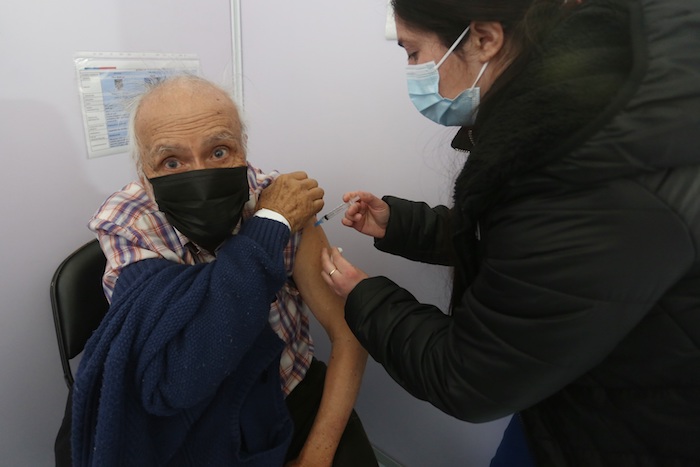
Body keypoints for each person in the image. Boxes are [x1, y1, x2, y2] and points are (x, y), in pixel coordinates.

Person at [320, 0, 700, 465]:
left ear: (483, 39)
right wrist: (402, 225)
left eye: (413, 52)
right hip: (573, 387)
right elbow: (524, 251)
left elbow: (470, 378)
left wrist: (363, 294)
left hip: (632, 432)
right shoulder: (589, 103)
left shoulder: (585, 177)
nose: (413, 71)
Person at [63, 75, 378, 466]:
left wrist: (316, 456)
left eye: (218, 151)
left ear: (244, 151)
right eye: (171, 161)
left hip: (289, 385)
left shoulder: (281, 200)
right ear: (144, 175)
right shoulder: (128, 224)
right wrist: (270, 225)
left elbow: (348, 331)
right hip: (198, 413)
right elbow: (182, 372)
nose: (199, 174)